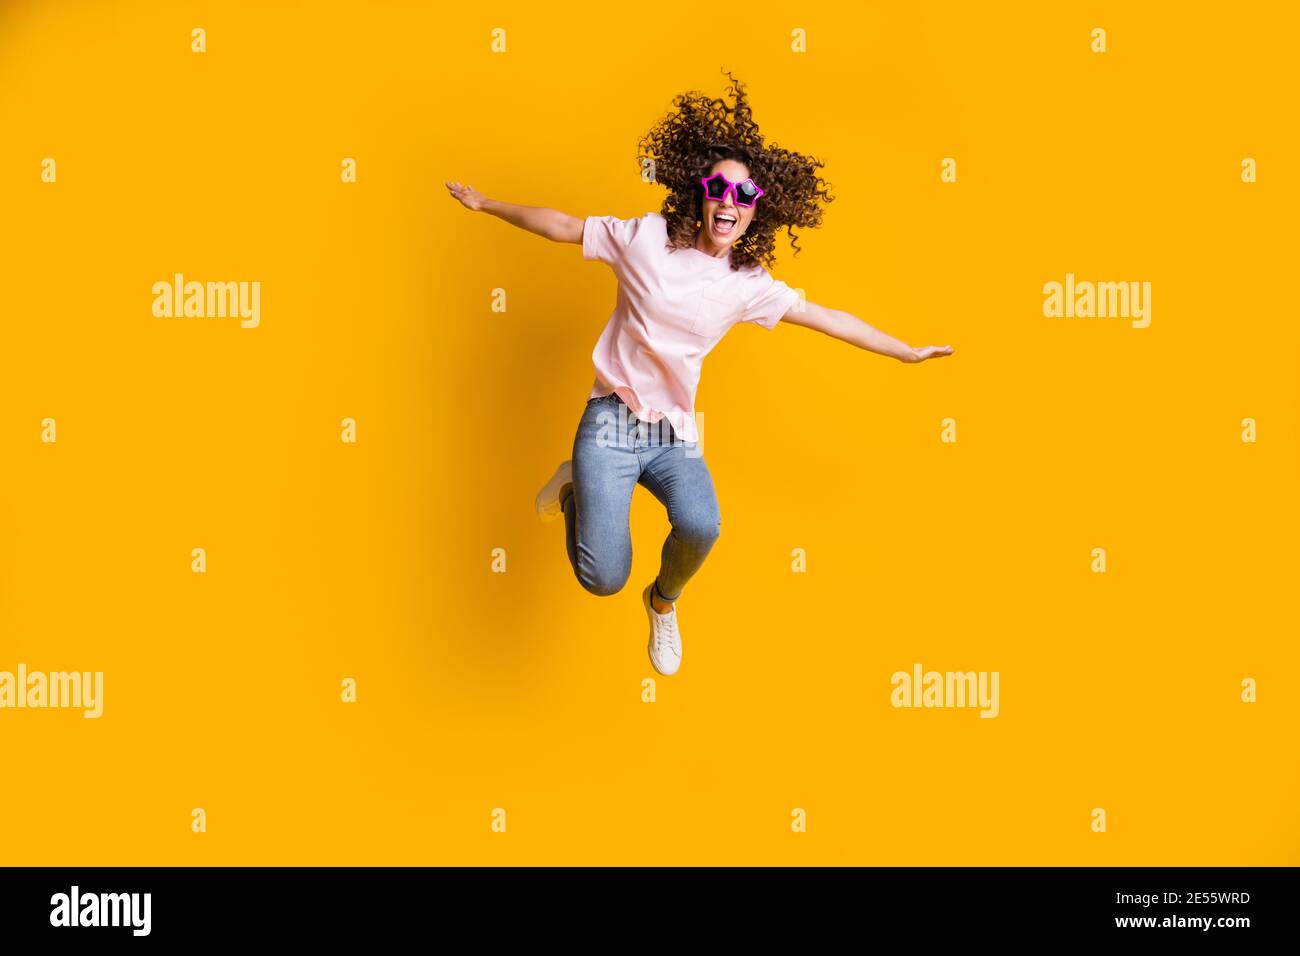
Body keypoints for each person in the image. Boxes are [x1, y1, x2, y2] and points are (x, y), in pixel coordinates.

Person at [446, 72, 953, 677]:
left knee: (701, 525)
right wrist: (487, 203)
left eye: (745, 197)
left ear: (756, 211)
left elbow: (824, 317)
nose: (729, 204)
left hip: (672, 433)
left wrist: (902, 351)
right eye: (719, 189)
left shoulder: (747, 286)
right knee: (603, 577)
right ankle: (578, 487)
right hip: (611, 419)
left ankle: (661, 603)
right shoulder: (646, 240)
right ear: (700, 192)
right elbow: (564, 225)